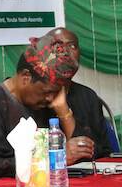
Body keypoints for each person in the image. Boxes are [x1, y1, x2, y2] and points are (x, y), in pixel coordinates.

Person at [0, 34, 96, 187]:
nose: (50, 98)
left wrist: (63, 111)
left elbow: (84, 154)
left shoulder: (43, 104)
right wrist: (55, 158)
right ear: (26, 77)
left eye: (55, 93)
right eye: (47, 92)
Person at [46, 27, 114, 157]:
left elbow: (103, 151)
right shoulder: (34, 96)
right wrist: (60, 155)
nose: (65, 52)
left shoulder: (88, 96)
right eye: (57, 46)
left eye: (71, 46)